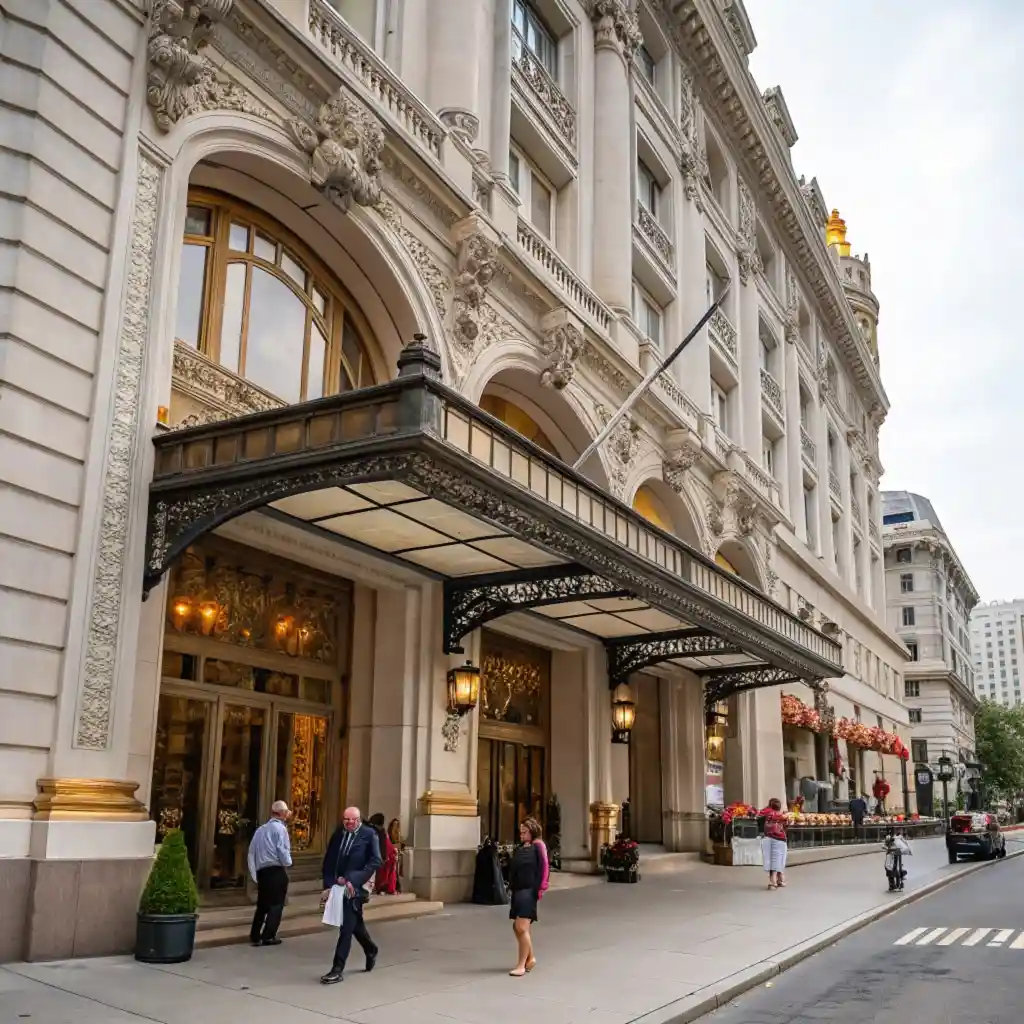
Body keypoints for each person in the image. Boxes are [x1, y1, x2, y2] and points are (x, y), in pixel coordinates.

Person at [320, 807, 382, 985]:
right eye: (345, 819)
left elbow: (376, 860)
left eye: (352, 820)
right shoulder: (338, 834)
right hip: (338, 886)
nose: (348, 823)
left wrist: (353, 879)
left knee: (346, 927)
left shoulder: (369, 834)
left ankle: (337, 969)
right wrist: (329, 885)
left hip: (357, 887)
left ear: (359, 820)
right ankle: (371, 949)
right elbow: (329, 861)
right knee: (355, 924)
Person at [247, 800, 293, 947]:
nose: (287, 814)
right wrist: (288, 862)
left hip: (262, 872)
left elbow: (251, 852)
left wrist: (254, 873)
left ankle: (255, 935)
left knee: (262, 904)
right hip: (275, 870)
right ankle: (268, 935)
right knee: (276, 904)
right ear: (282, 813)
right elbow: (282, 849)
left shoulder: (260, 830)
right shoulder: (280, 829)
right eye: (286, 811)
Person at [508, 817, 549, 977]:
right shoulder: (521, 847)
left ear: (532, 831)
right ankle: (530, 958)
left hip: (529, 890)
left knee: (521, 927)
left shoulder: (538, 845)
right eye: (521, 831)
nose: (522, 834)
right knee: (516, 927)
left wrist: (541, 888)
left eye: (525, 831)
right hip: (518, 890)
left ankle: (521, 965)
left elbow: (545, 867)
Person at [761, 798, 788, 890]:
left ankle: (774, 880)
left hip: (767, 838)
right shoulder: (781, 815)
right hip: (779, 839)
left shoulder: (767, 814)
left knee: (770, 859)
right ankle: (775, 880)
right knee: (778, 859)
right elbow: (787, 824)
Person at [368, 813, 399, 896]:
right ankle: (386, 889)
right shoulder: (381, 831)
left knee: (384, 873)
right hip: (387, 855)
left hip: (386, 856)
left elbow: (383, 845)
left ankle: (382, 888)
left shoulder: (377, 832)